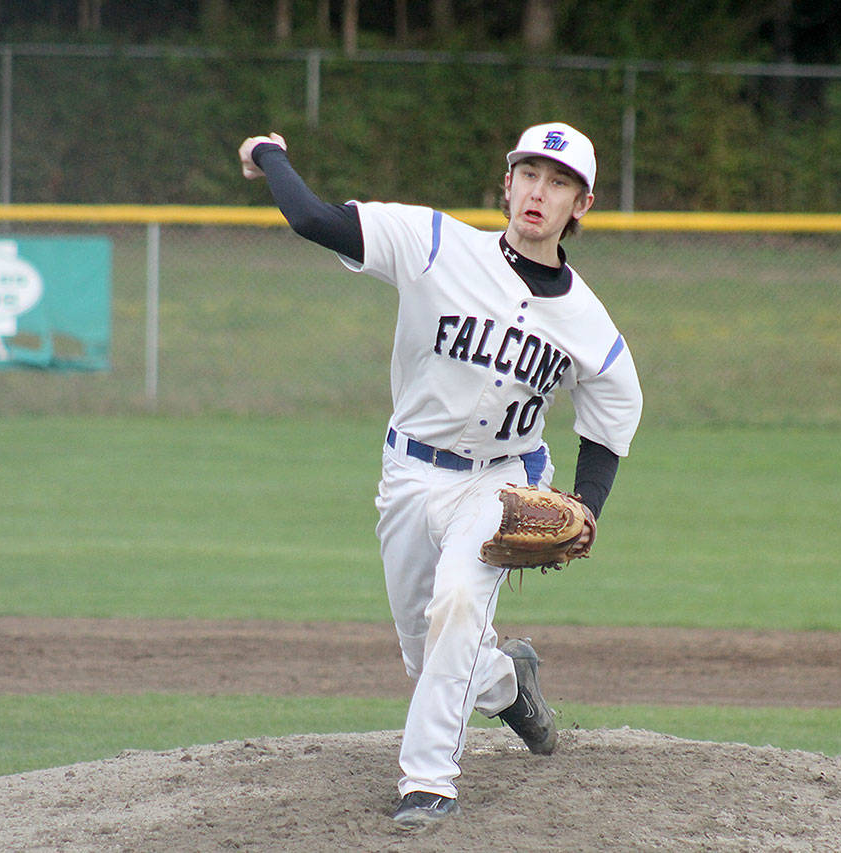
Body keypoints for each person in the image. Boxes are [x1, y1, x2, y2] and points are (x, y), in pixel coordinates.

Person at [238, 122, 643, 826]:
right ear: (506, 182)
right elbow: (310, 218)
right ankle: (508, 681)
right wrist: (268, 154)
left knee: (457, 603)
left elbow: (612, 416)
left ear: (583, 204)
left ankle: (428, 781)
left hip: (503, 481)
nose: (538, 193)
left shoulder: (588, 322)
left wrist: (589, 505)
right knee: (425, 651)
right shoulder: (433, 243)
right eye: (528, 175)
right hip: (409, 473)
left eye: (559, 183)